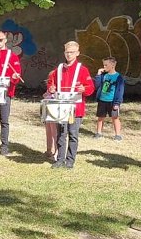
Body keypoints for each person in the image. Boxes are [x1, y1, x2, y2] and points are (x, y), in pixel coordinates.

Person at [46, 41, 95, 169]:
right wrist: (51, 88)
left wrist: (84, 89)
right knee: (61, 134)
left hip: (76, 108)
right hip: (61, 106)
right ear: (64, 53)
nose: (69, 54)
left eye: (72, 52)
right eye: (67, 52)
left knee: (73, 134)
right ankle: (60, 159)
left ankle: (70, 161)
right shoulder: (59, 69)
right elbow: (51, 83)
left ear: (77, 53)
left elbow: (90, 88)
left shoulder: (83, 70)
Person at [93, 57, 124, 140]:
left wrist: (117, 102)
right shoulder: (104, 75)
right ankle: (98, 133)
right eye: (104, 65)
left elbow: (120, 90)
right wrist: (98, 74)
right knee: (100, 117)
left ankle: (118, 135)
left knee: (115, 117)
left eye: (106, 65)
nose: (104, 66)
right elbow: (97, 85)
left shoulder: (118, 77)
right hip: (102, 100)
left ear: (113, 65)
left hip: (112, 101)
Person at [42, 72, 59, 162]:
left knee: (54, 131)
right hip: (47, 108)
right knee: (48, 130)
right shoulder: (49, 88)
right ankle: (49, 149)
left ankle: (57, 151)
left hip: (54, 109)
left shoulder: (59, 88)